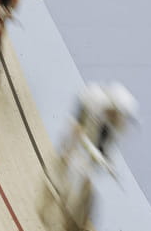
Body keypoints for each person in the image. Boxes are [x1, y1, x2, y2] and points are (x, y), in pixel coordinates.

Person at [41, 83, 134, 231]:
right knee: (70, 157)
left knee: (87, 180)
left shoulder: (118, 123)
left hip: (95, 135)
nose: (121, 119)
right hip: (81, 124)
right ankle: (54, 184)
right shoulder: (95, 101)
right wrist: (71, 149)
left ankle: (77, 216)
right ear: (113, 107)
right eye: (119, 115)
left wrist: (107, 163)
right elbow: (77, 127)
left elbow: (107, 145)